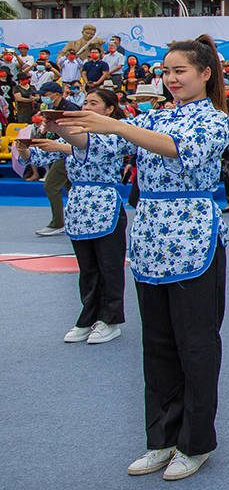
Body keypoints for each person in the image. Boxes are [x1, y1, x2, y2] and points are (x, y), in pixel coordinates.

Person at [61, 35, 229, 481]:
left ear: (204, 74)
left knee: (195, 344)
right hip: (152, 239)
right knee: (156, 343)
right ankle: (161, 438)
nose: (172, 78)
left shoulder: (214, 120)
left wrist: (116, 126)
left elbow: (181, 151)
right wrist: (65, 124)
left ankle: (195, 443)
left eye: (181, 71)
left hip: (193, 236)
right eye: (167, 71)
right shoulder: (155, 115)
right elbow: (99, 147)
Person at [19, 88, 132, 345]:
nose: (87, 106)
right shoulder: (75, 134)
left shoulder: (117, 130)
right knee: (87, 267)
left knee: (109, 266)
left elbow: (88, 146)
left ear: (109, 108)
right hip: (79, 205)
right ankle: (88, 317)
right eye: (85, 102)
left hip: (104, 204)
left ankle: (110, 319)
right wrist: (25, 149)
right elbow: (42, 154)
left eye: (94, 103)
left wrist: (61, 134)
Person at [34, 81, 80, 235]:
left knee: (51, 185)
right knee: (70, 188)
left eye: (46, 95)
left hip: (68, 152)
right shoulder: (52, 108)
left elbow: (76, 129)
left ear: (58, 94)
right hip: (61, 150)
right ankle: (74, 219)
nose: (43, 98)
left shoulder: (70, 108)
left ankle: (57, 223)